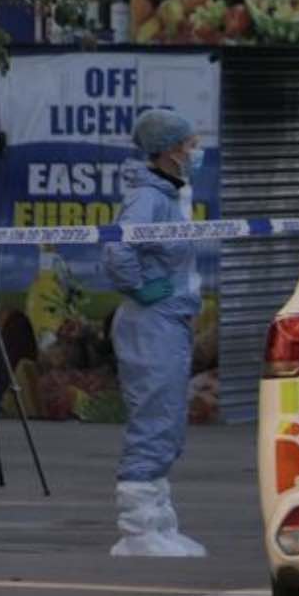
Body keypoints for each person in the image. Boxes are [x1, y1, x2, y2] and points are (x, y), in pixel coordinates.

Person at [101, 109, 207, 557]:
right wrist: (139, 286)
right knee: (153, 420)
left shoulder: (169, 193)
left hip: (168, 317)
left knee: (167, 422)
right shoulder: (148, 198)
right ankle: (138, 530)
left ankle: (159, 523)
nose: (194, 152)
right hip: (152, 320)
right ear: (167, 151)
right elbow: (117, 247)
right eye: (188, 145)